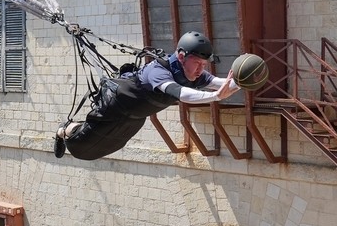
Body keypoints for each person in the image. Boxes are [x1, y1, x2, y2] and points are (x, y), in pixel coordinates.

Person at [54, 31, 240, 160]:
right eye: (198, 63)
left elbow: (223, 84)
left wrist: (246, 79)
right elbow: (181, 93)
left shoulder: (192, 73)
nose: (201, 69)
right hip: (114, 107)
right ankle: (63, 131)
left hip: (135, 116)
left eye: (204, 65)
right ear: (182, 57)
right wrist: (216, 96)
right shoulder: (159, 71)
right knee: (80, 145)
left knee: (108, 147)